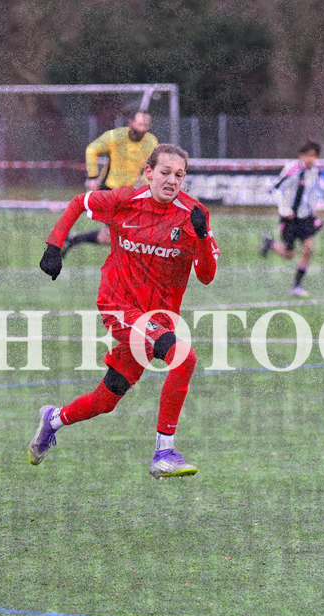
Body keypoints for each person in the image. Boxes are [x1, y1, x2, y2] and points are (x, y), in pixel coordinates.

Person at [31, 144, 219, 478]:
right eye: (164, 172)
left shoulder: (193, 214)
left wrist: (202, 236)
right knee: (183, 357)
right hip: (119, 308)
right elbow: (79, 203)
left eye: (179, 175)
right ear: (148, 172)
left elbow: (206, 276)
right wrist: (54, 246)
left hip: (157, 321)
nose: (171, 180)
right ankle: (164, 452)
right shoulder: (125, 201)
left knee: (106, 399)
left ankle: (53, 419)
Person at [61, 111, 159, 256]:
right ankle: (130, 266)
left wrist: (146, 184)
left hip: (131, 194)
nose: (142, 129)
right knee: (123, 234)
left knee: (111, 237)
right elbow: (91, 150)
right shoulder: (115, 136)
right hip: (109, 191)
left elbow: (150, 166)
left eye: (146, 125)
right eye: (139, 124)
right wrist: (92, 177)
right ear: (131, 123)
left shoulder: (151, 142)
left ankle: (73, 239)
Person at [259, 140, 324, 298]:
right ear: (301, 156)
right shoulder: (292, 169)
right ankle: (270, 243)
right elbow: (276, 189)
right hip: (290, 218)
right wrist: (285, 210)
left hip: (306, 217)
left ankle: (296, 286)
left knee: (309, 249)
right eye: (307, 155)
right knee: (289, 254)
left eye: (313, 156)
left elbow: (320, 187)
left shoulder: (316, 171)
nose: (310, 159)